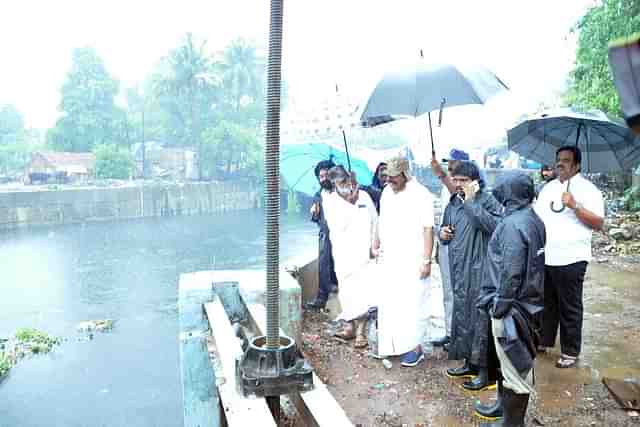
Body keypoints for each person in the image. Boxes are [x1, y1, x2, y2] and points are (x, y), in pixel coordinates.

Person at [475, 171, 546, 427]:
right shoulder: (533, 218)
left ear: (509, 192)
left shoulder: (512, 225)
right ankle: (502, 410)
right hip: (529, 304)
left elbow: (512, 271)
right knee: (508, 364)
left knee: (515, 367)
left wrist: (499, 306)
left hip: (512, 309)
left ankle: (512, 423)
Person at [534, 146, 604, 368]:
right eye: (558, 160)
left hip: (572, 258)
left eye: (566, 160)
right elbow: (537, 217)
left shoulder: (589, 190)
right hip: (547, 255)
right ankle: (544, 340)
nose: (560, 164)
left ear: (577, 165)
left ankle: (570, 351)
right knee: (547, 303)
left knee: (569, 306)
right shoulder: (548, 189)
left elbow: (598, 223)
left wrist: (575, 206)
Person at [441, 161, 503, 391]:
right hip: (459, 268)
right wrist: (443, 234)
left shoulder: (488, 200)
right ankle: (469, 362)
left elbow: (495, 227)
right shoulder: (453, 203)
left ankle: (486, 372)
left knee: (481, 319)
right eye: (455, 180)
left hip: (482, 269)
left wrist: (471, 202)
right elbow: (445, 229)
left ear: (475, 182)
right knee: (463, 315)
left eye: (463, 181)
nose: (458, 184)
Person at [372, 156, 436, 367]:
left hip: (413, 256)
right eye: (387, 177)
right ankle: (392, 345)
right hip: (389, 256)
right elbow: (381, 221)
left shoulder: (421, 194)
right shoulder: (386, 192)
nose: (389, 180)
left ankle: (414, 347)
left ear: (405, 174)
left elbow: (429, 228)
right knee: (390, 300)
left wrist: (426, 260)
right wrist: (375, 243)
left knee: (412, 301)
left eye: (393, 177)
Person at [323, 165, 378, 348]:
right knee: (346, 291)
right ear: (334, 184)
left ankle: (361, 332)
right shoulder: (330, 201)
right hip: (343, 253)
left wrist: (374, 243)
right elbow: (338, 224)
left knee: (362, 290)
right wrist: (351, 203)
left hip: (363, 253)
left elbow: (375, 220)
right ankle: (350, 326)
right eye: (340, 183)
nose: (345, 185)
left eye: (346, 181)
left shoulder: (364, 196)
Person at [430, 149, 471, 349]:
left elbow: (459, 194)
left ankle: (462, 335)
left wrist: (441, 174)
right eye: (448, 163)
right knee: (448, 291)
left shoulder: (468, 186)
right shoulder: (445, 185)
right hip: (446, 243)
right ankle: (450, 332)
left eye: (453, 163)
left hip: (463, 247)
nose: (449, 166)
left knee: (461, 291)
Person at [304, 159, 339, 310]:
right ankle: (321, 298)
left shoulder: (344, 191)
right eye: (321, 176)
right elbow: (316, 218)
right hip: (325, 234)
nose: (324, 179)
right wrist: (314, 213)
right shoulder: (319, 195)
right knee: (323, 265)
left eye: (327, 175)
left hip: (344, 235)